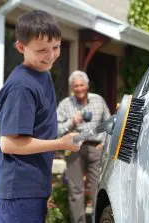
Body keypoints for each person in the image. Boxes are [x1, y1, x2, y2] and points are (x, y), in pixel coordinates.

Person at [0, 10, 81, 223]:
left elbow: (38, 130)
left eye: (56, 47)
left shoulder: (43, 74)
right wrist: (61, 143)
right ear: (21, 48)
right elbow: (9, 144)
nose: (50, 56)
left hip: (31, 189)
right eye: (41, 50)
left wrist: (42, 188)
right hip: (18, 192)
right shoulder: (21, 87)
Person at [57, 70, 111, 223]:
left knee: (97, 188)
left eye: (81, 85)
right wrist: (72, 121)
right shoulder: (65, 104)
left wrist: (104, 143)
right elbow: (57, 129)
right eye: (75, 86)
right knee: (76, 190)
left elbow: (109, 124)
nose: (79, 88)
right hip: (74, 148)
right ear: (71, 88)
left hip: (96, 148)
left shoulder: (98, 100)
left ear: (86, 86)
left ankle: (96, 220)